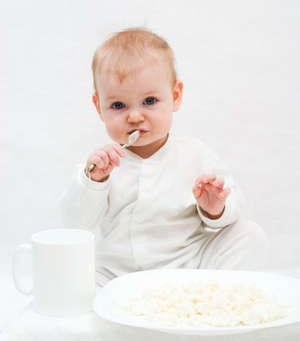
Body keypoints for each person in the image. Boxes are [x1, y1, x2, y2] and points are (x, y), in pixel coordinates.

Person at [61, 27, 269, 286]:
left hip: (188, 267)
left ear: (175, 96)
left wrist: (215, 209)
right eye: (118, 106)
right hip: (117, 275)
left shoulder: (195, 154)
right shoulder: (101, 166)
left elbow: (233, 203)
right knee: (73, 277)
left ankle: (210, 294)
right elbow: (74, 224)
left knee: (248, 234)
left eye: (149, 101)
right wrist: (92, 182)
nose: (135, 116)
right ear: (99, 108)